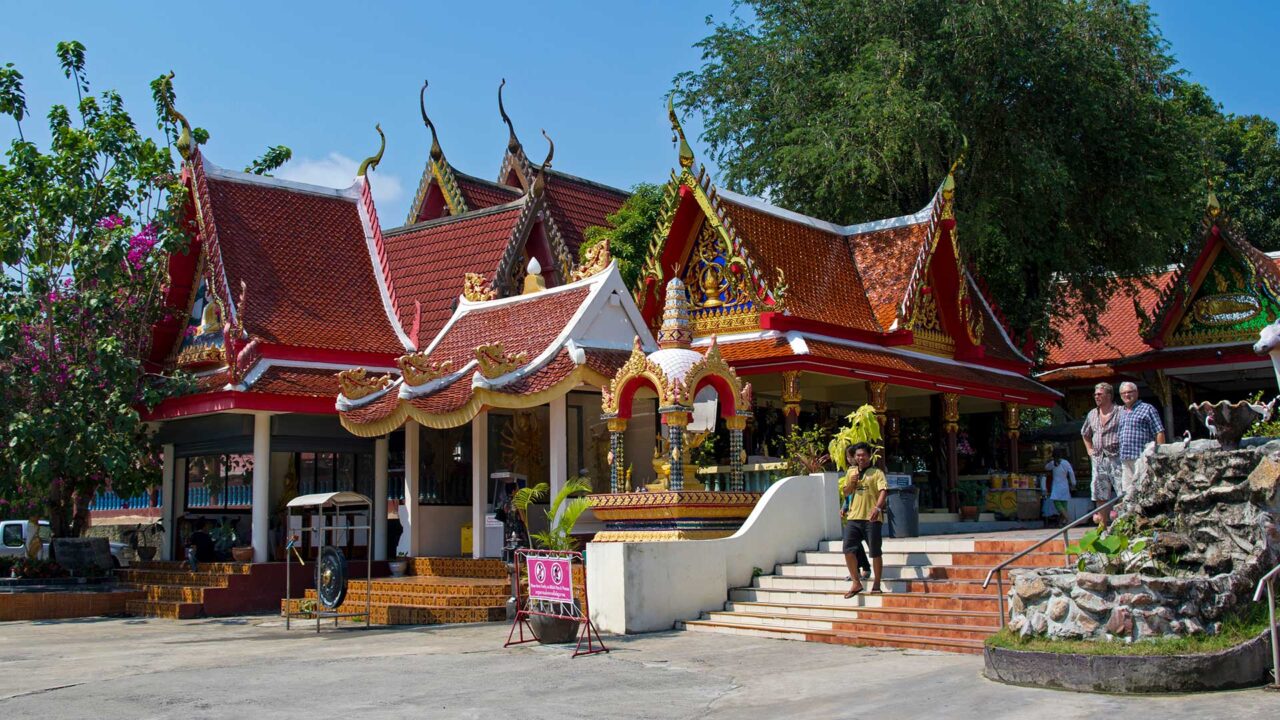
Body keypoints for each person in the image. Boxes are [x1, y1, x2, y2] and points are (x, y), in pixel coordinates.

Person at [840, 442, 888, 599]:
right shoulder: (851, 472)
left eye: (863, 455)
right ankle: (856, 582)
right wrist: (852, 482)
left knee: (875, 552)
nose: (860, 457)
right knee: (848, 549)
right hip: (854, 517)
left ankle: (877, 583)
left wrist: (878, 508)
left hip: (871, 519)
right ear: (854, 457)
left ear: (869, 456)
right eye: (858, 455)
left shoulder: (877, 473)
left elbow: (883, 491)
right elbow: (846, 492)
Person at [1080, 382, 1121, 526]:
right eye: (1095, 394)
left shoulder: (1120, 412)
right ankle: (1102, 526)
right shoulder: (1092, 414)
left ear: (1109, 395)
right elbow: (1085, 433)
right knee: (1100, 493)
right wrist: (1089, 450)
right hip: (1098, 458)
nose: (1096, 396)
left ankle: (1124, 524)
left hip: (1116, 456)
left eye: (1100, 394)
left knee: (1122, 490)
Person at [1117, 381, 1165, 496]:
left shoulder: (1147, 409)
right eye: (1123, 393)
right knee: (1128, 493)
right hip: (1125, 458)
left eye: (1129, 392)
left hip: (1141, 457)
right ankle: (1130, 514)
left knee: (1144, 490)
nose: (1127, 395)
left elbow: (1159, 431)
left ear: (1137, 393)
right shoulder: (1121, 412)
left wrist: (1160, 454)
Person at [1044, 448, 1076, 525]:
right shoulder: (1066, 463)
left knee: (1057, 503)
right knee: (1064, 504)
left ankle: (1068, 518)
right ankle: (1061, 522)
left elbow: (1046, 467)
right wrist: (1073, 483)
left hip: (1056, 486)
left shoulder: (1052, 463)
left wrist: (1048, 461)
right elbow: (1071, 473)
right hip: (1065, 485)